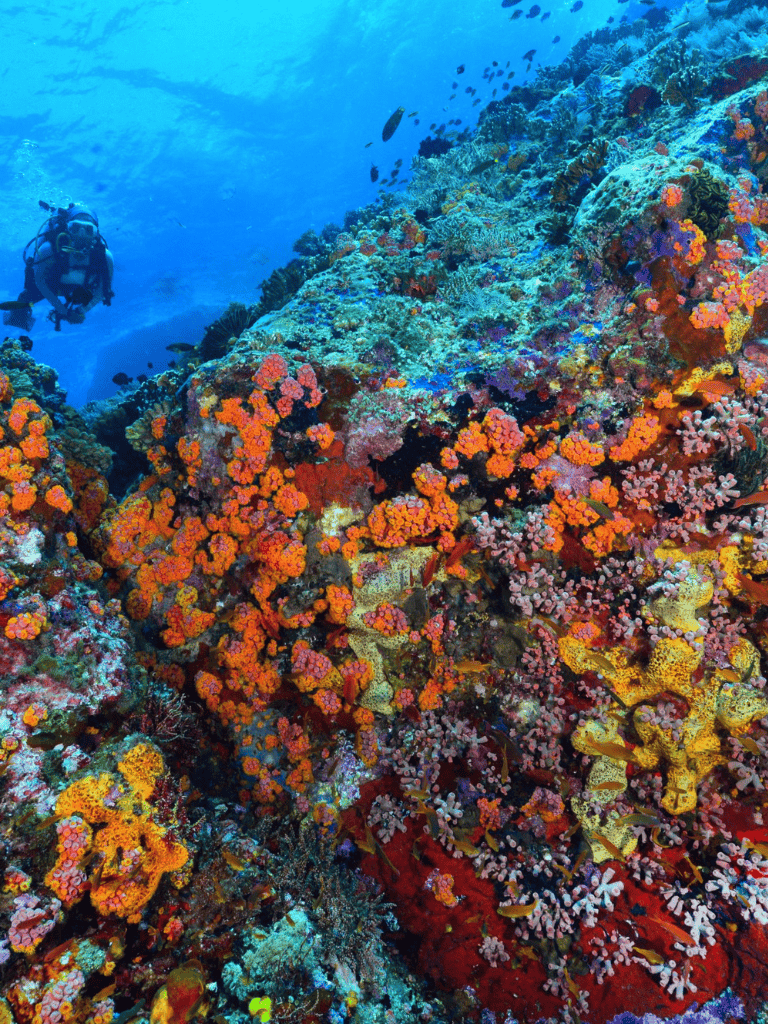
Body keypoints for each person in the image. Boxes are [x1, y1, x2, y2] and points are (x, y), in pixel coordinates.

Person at [3, 202, 114, 332]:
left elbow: (103, 289)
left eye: (88, 230)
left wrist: (81, 310)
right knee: (23, 301)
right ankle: (15, 335)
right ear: (67, 228)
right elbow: (40, 281)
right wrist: (63, 310)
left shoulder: (105, 257)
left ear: (96, 233)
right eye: (75, 228)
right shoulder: (48, 250)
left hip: (79, 290)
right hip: (51, 284)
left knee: (83, 296)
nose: (81, 235)